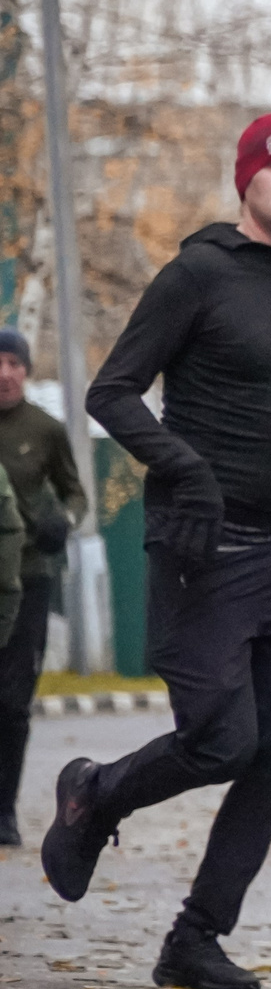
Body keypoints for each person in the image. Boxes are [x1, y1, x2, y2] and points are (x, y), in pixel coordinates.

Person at [45, 113, 271, 989]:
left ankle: (195, 938)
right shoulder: (197, 275)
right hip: (202, 548)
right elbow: (112, 391)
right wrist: (186, 470)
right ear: (245, 181)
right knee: (221, 739)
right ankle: (95, 790)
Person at [0, 329, 82, 846]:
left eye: (15, 363)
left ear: (26, 371)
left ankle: (3, 809)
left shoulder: (45, 430)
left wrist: (65, 522)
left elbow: (76, 492)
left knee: (11, 701)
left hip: (28, 578)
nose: (5, 373)